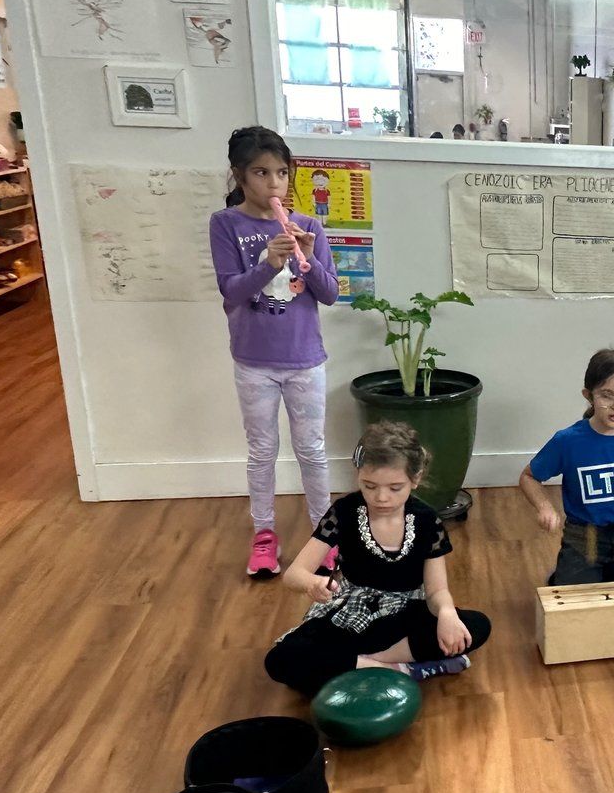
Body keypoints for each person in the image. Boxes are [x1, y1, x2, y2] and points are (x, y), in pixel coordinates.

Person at [265, 422, 491, 694]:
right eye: (369, 486)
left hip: (405, 613)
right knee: (280, 659)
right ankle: (399, 669)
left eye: (395, 488)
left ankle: (363, 666)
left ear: (415, 478)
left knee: (475, 626)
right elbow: (294, 575)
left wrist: (446, 613)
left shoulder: (427, 520)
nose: (381, 497)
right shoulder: (345, 511)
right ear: (358, 474)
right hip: (351, 614)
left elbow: (436, 590)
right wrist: (311, 584)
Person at [209, 125, 339, 577]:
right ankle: (264, 536)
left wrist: (310, 256)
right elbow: (231, 291)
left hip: (305, 360)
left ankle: (326, 535)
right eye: (261, 173)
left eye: (281, 173)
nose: (274, 184)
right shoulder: (226, 224)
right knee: (262, 451)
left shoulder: (308, 225)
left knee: (313, 450)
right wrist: (269, 264)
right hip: (253, 362)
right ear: (239, 176)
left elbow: (329, 294)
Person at [519, 348, 614, 584]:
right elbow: (528, 477)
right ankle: (568, 574)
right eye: (606, 395)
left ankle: (607, 572)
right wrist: (544, 507)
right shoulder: (568, 440)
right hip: (586, 537)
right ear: (589, 395)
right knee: (574, 601)